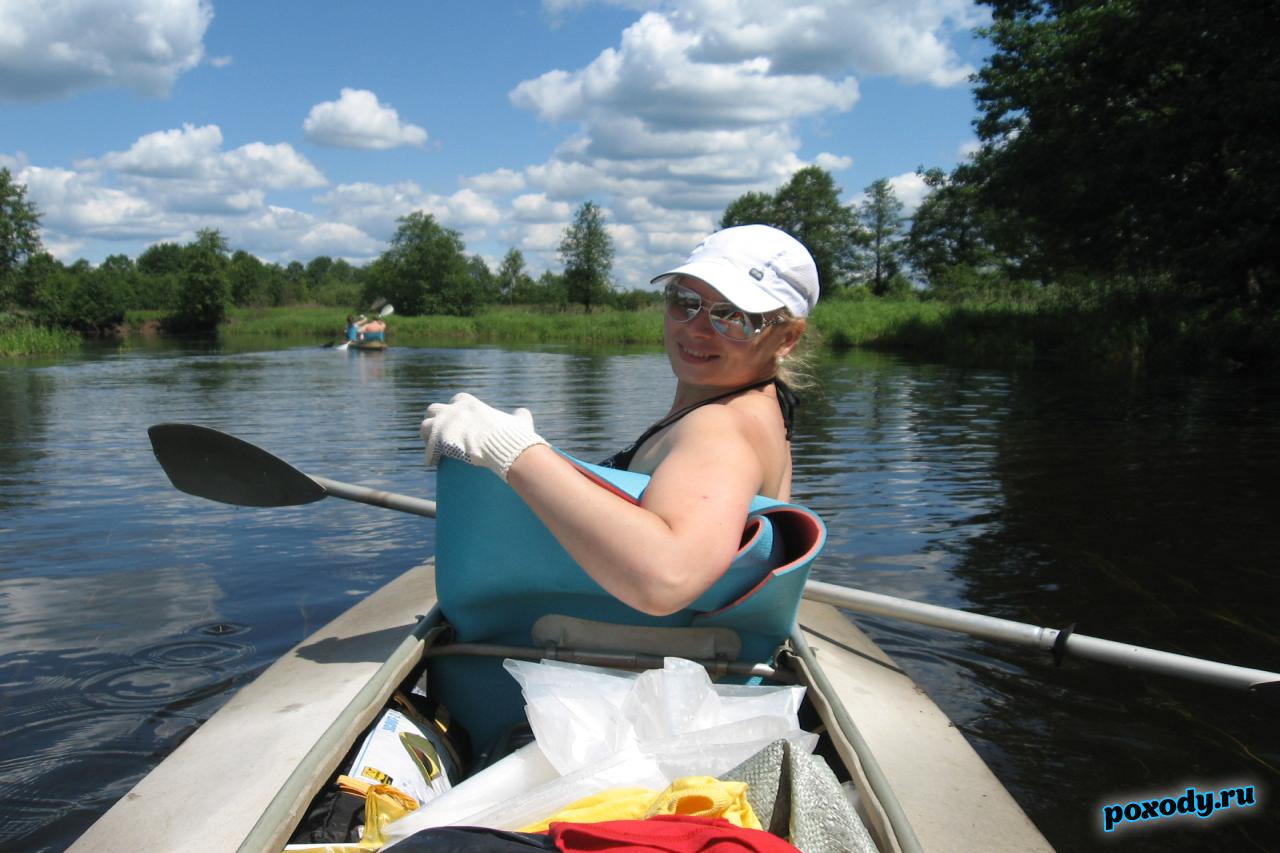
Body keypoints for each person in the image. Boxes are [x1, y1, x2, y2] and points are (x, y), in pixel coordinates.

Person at [420, 224, 818, 617]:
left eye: (734, 316)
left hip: (623, 661)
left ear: (786, 338)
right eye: (685, 300)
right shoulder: (762, 410)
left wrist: (511, 450)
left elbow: (667, 578)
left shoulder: (721, 427)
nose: (697, 329)